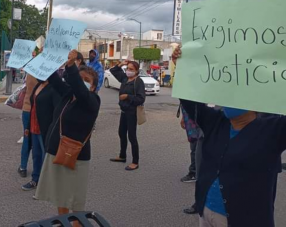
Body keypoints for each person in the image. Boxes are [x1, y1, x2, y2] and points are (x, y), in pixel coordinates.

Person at [172, 47, 286, 227]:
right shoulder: (215, 122)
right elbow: (188, 98)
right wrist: (182, 67)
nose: (229, 97)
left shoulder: (274, 130)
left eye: (236, 93)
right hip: (206, 213)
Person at [35, 50, 100, 224]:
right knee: (60, 196)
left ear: (93, 87)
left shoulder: (93, 100)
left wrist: (71, 67)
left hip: (77, 156)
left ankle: (78, 223)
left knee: (75, 198)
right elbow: (54, 79)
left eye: (87, 81)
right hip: (57, 151)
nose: (82, 83)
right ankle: (64, 222)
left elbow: (81, 91)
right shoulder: (67, 94)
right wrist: (45, 58)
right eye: (81, 79)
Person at [21, 72, 61, 191]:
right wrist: (28, 127)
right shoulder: (38, 86)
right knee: (36, 155)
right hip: (34, 127)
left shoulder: (54, 89)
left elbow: (56, 112)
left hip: (45, 129)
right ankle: (35, 179)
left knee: (46, 157)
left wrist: (52, 130)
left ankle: (45, 185)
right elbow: (33, 108)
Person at [109, 60, 145, 171]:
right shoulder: (125, 78)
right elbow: (113, 70)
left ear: (136, 71)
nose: (128, 71)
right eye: (127, 68)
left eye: (131, 69)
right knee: (121, 133)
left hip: (132, 113)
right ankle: (122, 156)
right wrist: (121, 64)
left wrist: (127, 97)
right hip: (124, 111)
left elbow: (141, 99)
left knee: (132, 137)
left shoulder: (138, 82)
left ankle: (135, 162)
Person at [17, 53, 39, 178]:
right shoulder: (46, 73)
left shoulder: (30, 72)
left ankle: (23, 167)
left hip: (27, 109)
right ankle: (39, 169)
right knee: (38, 140)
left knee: (27, 138)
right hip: (39, 110)